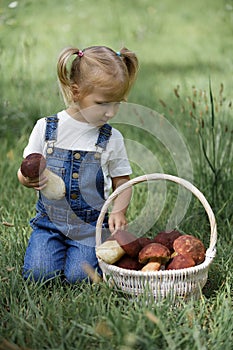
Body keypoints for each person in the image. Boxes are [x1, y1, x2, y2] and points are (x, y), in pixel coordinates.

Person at [17, 45, 139, 283]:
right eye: (103, 103)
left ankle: (84, 256)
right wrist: (28, 179)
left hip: (90, 229)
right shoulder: (47, 128)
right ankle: (52, 251)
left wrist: (119, 210)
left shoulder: (111, 138)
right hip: (49, 225)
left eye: (117, 104)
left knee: (79, 278)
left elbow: (122, 181)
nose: (111, 112)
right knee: (38, 275)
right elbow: (24, 171)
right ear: (76, 92)